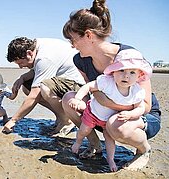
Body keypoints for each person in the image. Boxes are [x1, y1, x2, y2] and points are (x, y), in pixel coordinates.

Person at [61, 0, 161, 171]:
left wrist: (110, 104)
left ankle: (143, 150)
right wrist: (100, 103)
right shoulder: (80, 60)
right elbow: (93, 90)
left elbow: (145, 105)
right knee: (69, 98)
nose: (72, 45)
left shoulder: (129, 56)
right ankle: (95, 145)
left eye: (73, 39)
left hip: (138, 116)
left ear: (88, 35)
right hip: (104, 114)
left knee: (116, 125)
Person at [69, 49, 152, 172]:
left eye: (132, 72)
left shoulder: (137, 91)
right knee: (84, 130)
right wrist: (77, 98)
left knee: (110, 141)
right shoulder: (106, 81)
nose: (126, 76)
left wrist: (130, 114)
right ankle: (78, 142)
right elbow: (88, 86)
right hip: (93, 113)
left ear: (139, 75)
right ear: (113, 72)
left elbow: (140, 108)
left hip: (108, 122)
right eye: (121, 70)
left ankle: (110, 159)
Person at [2, 37, 85, 134]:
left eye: (21, 63)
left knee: (45, 88)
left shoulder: (44, 58)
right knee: (27, 86)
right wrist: (22, 78)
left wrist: (13, 120)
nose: (20, 67)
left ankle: (67, 120)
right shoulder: (37, 45)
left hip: (78, 85)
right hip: (64, 80)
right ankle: (61, 116)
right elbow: (38, 70)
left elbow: (34, 96)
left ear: (29, 53)